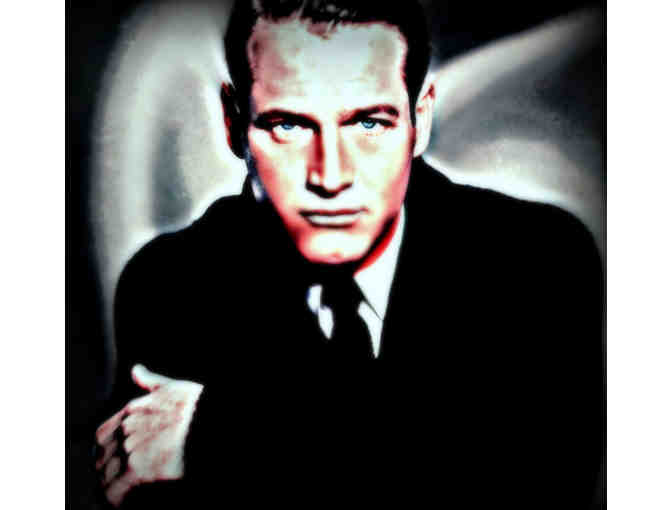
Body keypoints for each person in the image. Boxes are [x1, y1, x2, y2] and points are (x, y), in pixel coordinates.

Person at [94, 1, 604, 508]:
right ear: (232, 121)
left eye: (369, 124)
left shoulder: (538, 261)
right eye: (289, 125)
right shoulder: (170, 285)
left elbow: (536, 485)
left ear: (420, 119)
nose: (331, 176)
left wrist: (219, 436)